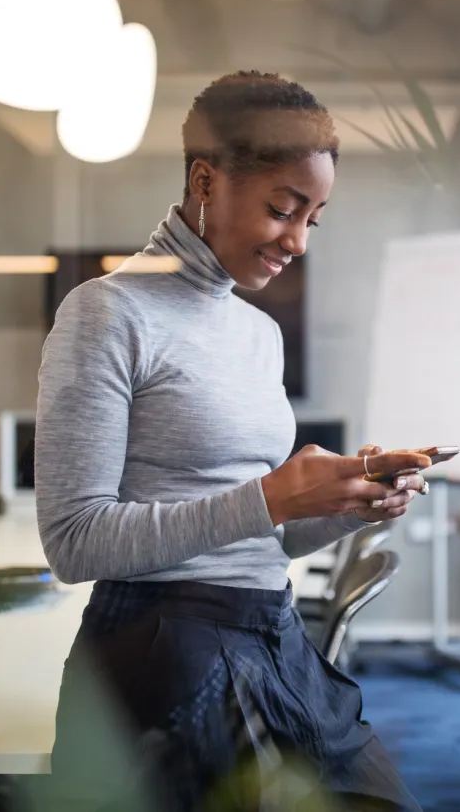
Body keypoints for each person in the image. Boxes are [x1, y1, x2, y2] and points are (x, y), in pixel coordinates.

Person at [36, 71, 429, 811]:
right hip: (164, 643)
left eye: (314, 218)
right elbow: (73, 542)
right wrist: (272, 495)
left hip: (271, 632)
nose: (299, 240)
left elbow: (257, 540)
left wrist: (344, 505)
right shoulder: (105, 314)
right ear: (205, 181)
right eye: (283, 209)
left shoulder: (259, 331)